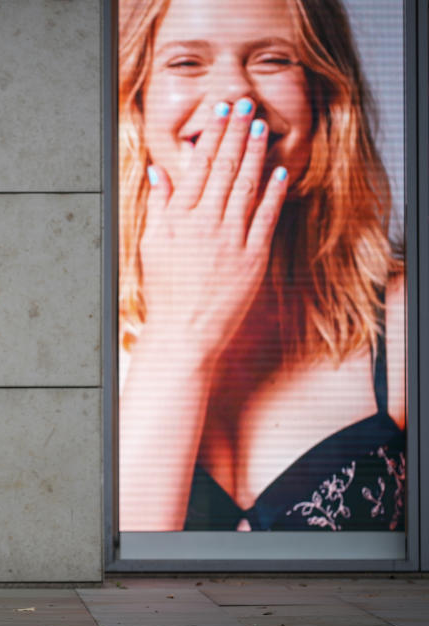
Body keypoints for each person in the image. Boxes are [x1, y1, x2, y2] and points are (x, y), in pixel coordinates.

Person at [117, 0, 406, 532]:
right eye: (186, 63)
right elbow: (97, 586)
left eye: (273, 60)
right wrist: (181, 336)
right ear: (136, 99)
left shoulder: (405, 321)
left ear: (324, 91)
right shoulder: (65, 338)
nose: (234, 94)